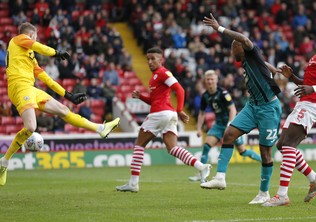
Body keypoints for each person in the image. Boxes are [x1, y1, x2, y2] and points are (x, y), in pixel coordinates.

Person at [0, 22, 120, 186]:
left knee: (63, 110)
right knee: (30, 128)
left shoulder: (29, 57)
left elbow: (46, 79)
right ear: (31, 35)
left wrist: (67, 95)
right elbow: (37, 46)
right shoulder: (17, 40)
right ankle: (4, 162)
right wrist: (55, 52)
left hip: (30, 88)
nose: (35, 41)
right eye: (35, 37)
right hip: (19, 88)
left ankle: (100, 128)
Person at [201, 14, 283, 205]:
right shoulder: (249, 61)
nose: (232, 52)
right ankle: (220, 178)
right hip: (252, 106)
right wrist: (273, 69)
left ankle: (264, 193)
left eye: (233, 48)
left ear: (240, 46)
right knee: (229, 134)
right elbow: (262, 63)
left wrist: (220, 29)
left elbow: (245, 39)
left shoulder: (248, 49)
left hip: (269, 109)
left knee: (265, 153)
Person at [264, 25, 316, 207]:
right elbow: (307, 84)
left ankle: (282, 195)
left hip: (313, 103)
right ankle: (314, 179)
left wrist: (314, 89)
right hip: (305, 101)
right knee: (281, 145)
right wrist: (292, 77)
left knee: (289, 144)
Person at [116, 47, 211, 192]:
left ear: (161, 59)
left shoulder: (163, 72)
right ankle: (201, 166)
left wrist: (179, 110)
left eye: (153, 58)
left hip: (160, 113)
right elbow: (154, 100)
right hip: (168, 114)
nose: (150, 61)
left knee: (139, 145)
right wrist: (140, 96)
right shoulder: (154, 77)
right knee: (173, 148)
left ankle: (133, 183)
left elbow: (180, 89)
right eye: (148, 59)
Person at [188, 69, 261, 182]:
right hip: (218, 124)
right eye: (208, 79)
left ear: (216, 80)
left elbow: (232, 109)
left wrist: (230, 124)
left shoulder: (223, 93)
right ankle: (201, 173)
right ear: (205, 81)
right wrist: (198, 128)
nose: (210, 81)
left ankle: (264, 161)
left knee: (242, 152)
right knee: (207, 146)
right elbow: (202, 113)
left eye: (212, 79)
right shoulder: (205, 96)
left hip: (231, 124)